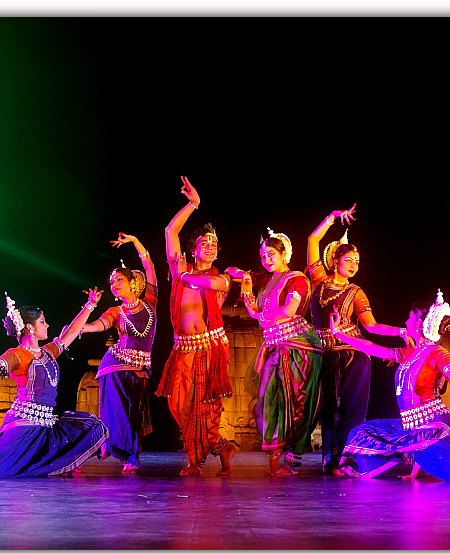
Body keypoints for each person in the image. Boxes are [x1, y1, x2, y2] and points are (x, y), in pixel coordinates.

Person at [329, 290, 450, 482]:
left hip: (434, 424)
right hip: (411, 426)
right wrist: (338, 333)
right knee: (363, 432)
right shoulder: (408, 353)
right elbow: (372, 348)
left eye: (410, 318)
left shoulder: (437, 353)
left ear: (421, 323)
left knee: (446, 468)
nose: (406, 322)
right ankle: (419, 460)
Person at [0, 291, 109, 478]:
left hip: (46, 425)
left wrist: (90, 305)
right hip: (23, 424)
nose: (48, 325)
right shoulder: (17, 354)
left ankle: (52, 463)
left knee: (93, 427)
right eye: (43, 322)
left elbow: (72, 332)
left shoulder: (48, 352)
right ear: (30, 327)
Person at [306, 205, 413, 474]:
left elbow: (372, 326)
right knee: (326, 409)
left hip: (352, 354)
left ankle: (348, 459)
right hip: (322, 353)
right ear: (334, 261)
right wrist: (331, 218)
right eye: (349, 260)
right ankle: (330, 460)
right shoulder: (317, 280)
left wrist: (402, 332)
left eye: (357, 261)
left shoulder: (357, 292)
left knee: (352, 410)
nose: (354, 265)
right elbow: (312, 240)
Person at [156, 176, 237, 476]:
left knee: (205, 406)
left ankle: (194, 461)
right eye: (205, 242)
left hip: (209, 347)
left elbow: (211, 283)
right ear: (193, 249)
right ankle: (219, 446)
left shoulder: (221, 277)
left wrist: (187, 277)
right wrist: (193, 204)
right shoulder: (180, 267)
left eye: (215, 244)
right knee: (178, 403)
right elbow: (170, 230)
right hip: (183, 347)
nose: (211, 247)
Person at [227, 229, 324, 476]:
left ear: (284, 254)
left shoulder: (297, 279)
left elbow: (289, 311)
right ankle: (273, 459)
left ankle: (292, 459)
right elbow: (233, 271)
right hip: (274, 346)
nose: (266, 259)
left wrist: (260, 315)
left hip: (299, 346)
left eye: (271, 254)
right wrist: (242, 276)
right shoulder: (265, 281)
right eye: (262, 255)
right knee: (266, 402)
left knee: (295, 405)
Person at [73, 233, 157, 475]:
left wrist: (135, 242)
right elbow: (98, 325)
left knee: (133, 412)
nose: (114, 284)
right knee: (118, 412)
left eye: (118, 279)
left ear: (133, 283)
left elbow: (149, 265)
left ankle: (106, 449)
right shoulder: (115, 310)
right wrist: (81, 325)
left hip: (140, 368)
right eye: (111, 282)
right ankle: (128, 457)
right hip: (115, 365)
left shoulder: (150, 300)